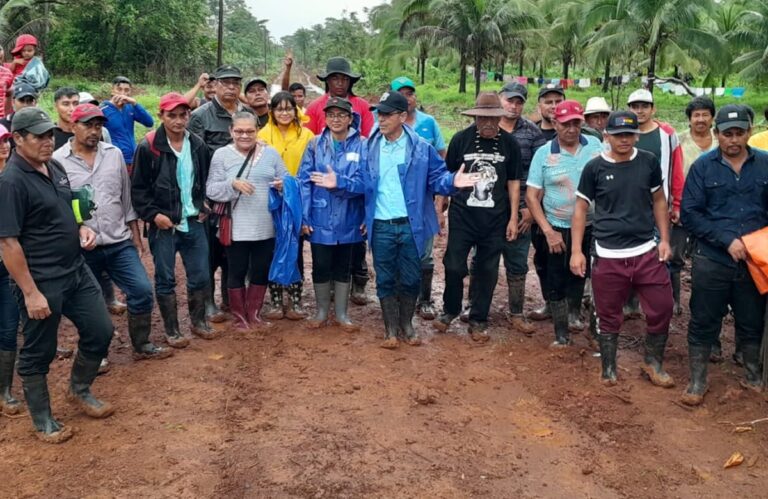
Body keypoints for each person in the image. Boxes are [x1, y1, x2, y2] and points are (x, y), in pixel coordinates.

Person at [0, 108, 115, 443]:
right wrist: (30, 293)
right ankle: (43, 421)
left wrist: (81, 228)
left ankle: (79, 389)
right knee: (40, 351)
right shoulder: (10, 182)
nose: (48, 141)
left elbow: (66, 208)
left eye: (50, 134)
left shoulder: (55, 167)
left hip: (75, 270)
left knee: (101, 330)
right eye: (39, 136)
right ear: (17, 139)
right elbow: (7, 243)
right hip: (41, 279)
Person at [54, 103, 172, 361]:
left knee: (141, 290)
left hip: (118, 241)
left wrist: (135, 235)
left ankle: (141, 344)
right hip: (83, 248)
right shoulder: (57, 161)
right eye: (88, 125)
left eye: (98, 126)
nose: (94, 131)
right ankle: (96, 354)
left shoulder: (114, 154)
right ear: (73, 126)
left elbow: (125, 197)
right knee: (91, 304)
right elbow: (58, 206)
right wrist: (76, 229)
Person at [570, 110, 675, 388]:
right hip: (608, 255)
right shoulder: (595, 168)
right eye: (618, 135)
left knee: (663, 306)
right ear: (607, 136)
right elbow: (580, 209)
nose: (624, 140)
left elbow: (659, 200)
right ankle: (609, 368)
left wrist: (664, 239)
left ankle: (653, 362)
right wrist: (577, 251)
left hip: (646, 251)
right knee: (608, 313)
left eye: (629, 134)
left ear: (637, 136)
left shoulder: (648, 162)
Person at [365, 91, 476, 348]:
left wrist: (453, 181)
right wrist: (338, 181)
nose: (381, 119)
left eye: (387, 114)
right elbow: (359, 180)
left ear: (402, 117)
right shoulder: (368, 147)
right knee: (385, 278)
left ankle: (406, 324)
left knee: (411, 277)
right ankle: (390, 329)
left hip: (411, 224)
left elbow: (438, 178)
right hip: (381, 224)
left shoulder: (421, 149)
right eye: (379, 114)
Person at [680, 104, 768, 406]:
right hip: (712, 258)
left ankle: (753, 375)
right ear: (717, 134)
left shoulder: (765, 164)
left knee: (751, 318)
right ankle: (697, 380)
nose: (733, 139)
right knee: (704, 318)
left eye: (739, 133)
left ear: (749, 132)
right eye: (727, 134)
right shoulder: (703, 167)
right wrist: (727, 240)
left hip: (755, 260)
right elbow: (690, 213)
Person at [433, 92, 522, 342]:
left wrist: (513, 218)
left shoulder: (510, 144)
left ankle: (479, 319)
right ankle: (450, 309)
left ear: (500, 118)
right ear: (475, 118)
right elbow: (447, 177)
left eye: (493, 119)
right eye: (483, 118)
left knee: (487, 269)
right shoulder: (461, 140)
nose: (488, 123)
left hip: (495, 218)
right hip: (463, 216)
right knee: (453, 265)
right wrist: (440, 209)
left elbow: (514, 182)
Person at [132, 93, 216, 347]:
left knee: (200, 275)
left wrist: (204, 203)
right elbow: (138, 190)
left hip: (193, 221)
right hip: (164, 226)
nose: (178, 121)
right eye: (172, 116)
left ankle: (198, 322)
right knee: (165, 278)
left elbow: (205, 178)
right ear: (161, 116)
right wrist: (153, 215)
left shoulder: (197, 144)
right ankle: (172, 329)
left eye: (183, 115)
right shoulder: (149, 147)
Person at [527, 100, 602, 346]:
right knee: (555, 277)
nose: (571, 129)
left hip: (591, 225)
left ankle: (575, 314)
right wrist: (548, 231)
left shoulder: (595, 146)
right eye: (566, 124)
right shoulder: (544, 154)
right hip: (557, 226)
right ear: (555, 123)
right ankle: (561, 333)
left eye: (576, 123)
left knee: (582, 273)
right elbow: (532, 196)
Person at [206, 112, 288, 330]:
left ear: (257, 130)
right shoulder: (221, 155)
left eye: (250, 131)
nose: (244, 135)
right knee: (237, 270)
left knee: (261, 270)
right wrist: (232, 184)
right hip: (237, 227)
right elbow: (211, 189)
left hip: (266, 225)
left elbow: (287, 178)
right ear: (231, 131)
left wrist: (283, 185)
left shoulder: (271, 154)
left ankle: (254, 314)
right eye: (239, 131)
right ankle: (239, 317)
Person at [306, 58, 375, 305]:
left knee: (353, 250)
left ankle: (358, 284)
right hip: (321, 193)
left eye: (344, 78)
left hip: (351, 188)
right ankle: (326, 300)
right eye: (334, 78)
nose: (339, 82)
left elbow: (369, 144)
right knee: (322, 257)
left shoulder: (363, 107)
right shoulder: (315, 108)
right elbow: (310, 141)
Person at [189, 65, 252, 323]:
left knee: (233, 248)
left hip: (241, 195)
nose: (231, 87)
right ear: (215, 85)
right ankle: (208, 302)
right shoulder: (201, 116)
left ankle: (230, 297)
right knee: (210, 251)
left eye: (236, 83)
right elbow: (194, 160)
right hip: (212, 195)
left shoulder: (246, 114)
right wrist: (200, 197)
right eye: (226, 83)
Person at [299, 97, 365, 330]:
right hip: (320, 215)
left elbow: (367, 183)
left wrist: (340, 183)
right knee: (321, 264)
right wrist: (304, 216)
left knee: (344, 265)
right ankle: (321, 312)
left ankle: (341, 314)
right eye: (331, 115)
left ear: (350, 119)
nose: (336, 119)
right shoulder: (315, 144)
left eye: (341, 115)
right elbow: (304, 182)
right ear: (325, 119)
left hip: (350, 215)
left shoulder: (362, 145)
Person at [385, 76, 448, 320]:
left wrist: (440, 202)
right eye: (401, 94)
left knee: (424, 252)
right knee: (394, 252)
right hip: (391, 204)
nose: (407, 98)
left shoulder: (428, 123)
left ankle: (425, 300)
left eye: (410, 93)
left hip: (422, 203)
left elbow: (440, 159)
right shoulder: (382, 125)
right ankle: (397, 299)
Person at [625, 89, 684, 318]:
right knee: (629, 254)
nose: (639, 111)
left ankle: (660, 308)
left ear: (653, 109)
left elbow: (676, 170)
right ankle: (630, 304)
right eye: (635, 106)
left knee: (660, 256)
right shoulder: (622, 132)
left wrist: (677, 203)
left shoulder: (667, 135)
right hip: (629, 207)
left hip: (658, 206)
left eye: (644, 106)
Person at [258, 92, 314, 320]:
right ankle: (275, 300)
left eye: (289, 108)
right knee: (271, 249)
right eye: (279, 109)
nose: (284, 113)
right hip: (269, 201)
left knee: (295, 248)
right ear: (272, 111)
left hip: (296, 201)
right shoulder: (261, 135)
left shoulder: (307, 136)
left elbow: (310, 169)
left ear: (296, 110)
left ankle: (296, 300)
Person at [672, 97, 718, 316]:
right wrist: (675, 205)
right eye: (696, 115)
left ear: (712, 118)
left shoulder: (721, 140)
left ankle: (704, 303)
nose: (700, 119)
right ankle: (674, 301)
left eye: (705, 115)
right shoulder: (678, 141)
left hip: (714, 211)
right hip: (683, 207)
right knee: (674, 256)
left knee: (709, 258)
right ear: (689, 119)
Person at [0, 125, 20, 416]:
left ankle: (4, 390)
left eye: (6, 140)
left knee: (8, 328)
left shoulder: (16, 179)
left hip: (8, 267)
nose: (4, 145)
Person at [100, 76, 154, 171]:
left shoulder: (130, 108)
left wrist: (135, 104)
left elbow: (149, 122)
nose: (123, 93)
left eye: (126, 90)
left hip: (134, 159)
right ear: (112, 90)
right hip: (115, 161)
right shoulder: (103, 110)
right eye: (119, 89)